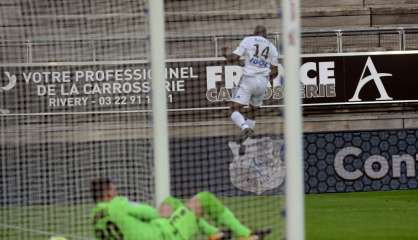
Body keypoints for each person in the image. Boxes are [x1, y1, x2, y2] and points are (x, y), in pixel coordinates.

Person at [90, 178, 264, 240]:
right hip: (166, 236)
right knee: (203, 198)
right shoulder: (117, 204)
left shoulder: (94, 218)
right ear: (108, 193)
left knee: (169, 201)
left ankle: (214, 234)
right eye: (114, 189)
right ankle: (244, 235)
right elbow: (150, 213)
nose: (116, 191)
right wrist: (160, 218)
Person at [223, 25, 279, 150]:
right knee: (253, 111)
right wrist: (264, 78)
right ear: (266, 35)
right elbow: (275, 72)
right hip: (263, 82)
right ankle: (244, 142)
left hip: (249, 80)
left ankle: (245, 128)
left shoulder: (249, 40)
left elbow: (234, 58)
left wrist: (225, 54)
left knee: (233, 108)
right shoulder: (272, 47)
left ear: (254, 33)